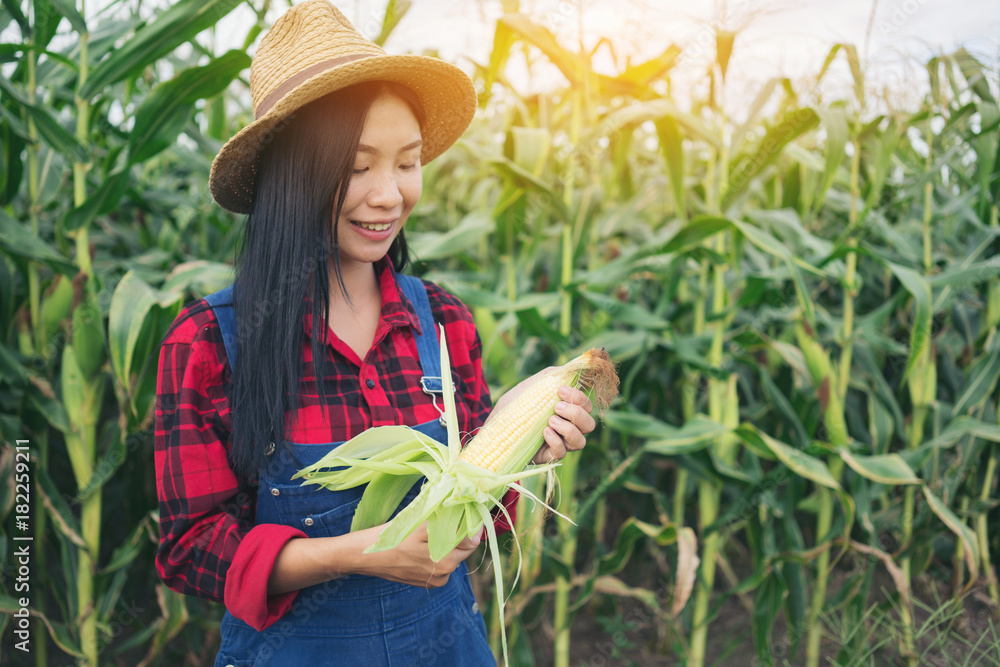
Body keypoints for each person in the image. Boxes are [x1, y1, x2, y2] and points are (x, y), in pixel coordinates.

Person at [153, 1, 596, 665]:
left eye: (406, 162)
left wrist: (525, 450)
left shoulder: (444, 322)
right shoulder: (208, 345)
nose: (389, 194)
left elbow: (481, 517)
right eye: (357, 167)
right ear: (291, 175)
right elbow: (191, 548)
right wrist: (360, 552)